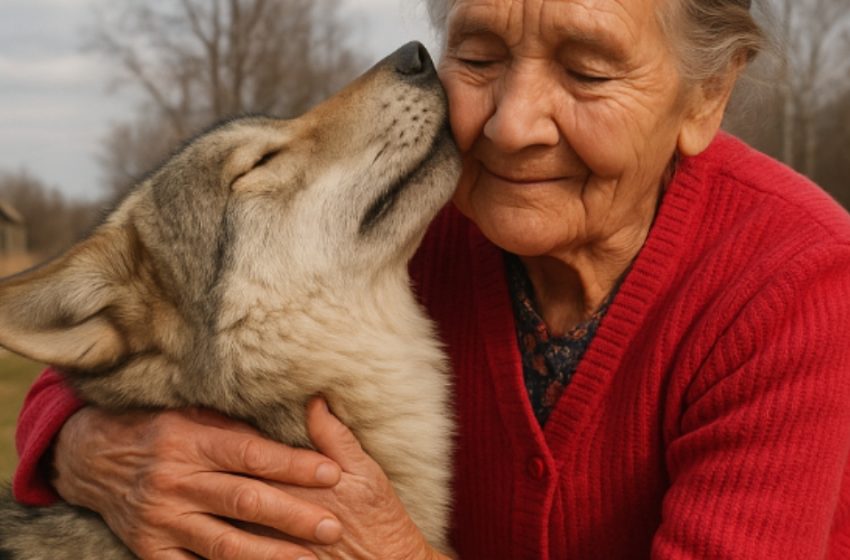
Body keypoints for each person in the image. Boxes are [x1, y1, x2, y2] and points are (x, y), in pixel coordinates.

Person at [12, 0, 850, 558]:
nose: (510, 126)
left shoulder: (795, 282)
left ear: (707, 96)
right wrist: (85, 446)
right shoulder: (410, 209)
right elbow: (137, 319)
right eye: (478, 57)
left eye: (587, 72)